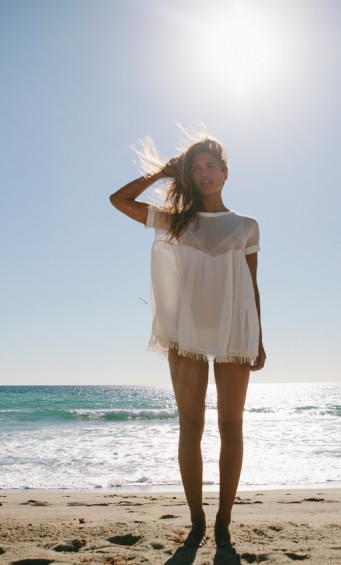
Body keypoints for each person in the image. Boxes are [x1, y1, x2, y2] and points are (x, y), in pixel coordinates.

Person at [109, 135, 266, 548]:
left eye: (211, 166)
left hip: (235, 328)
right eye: (195, 169)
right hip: (186, 331)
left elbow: (251, 284)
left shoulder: (246, 225)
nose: (204, 173)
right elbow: (118, 200)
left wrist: (260, 338)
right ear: (190, 177)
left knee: (231, 426)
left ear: (225, 173)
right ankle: (197, 517)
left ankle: (224, 520)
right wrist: (162, 172)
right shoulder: (174, 219)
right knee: (190, 427)